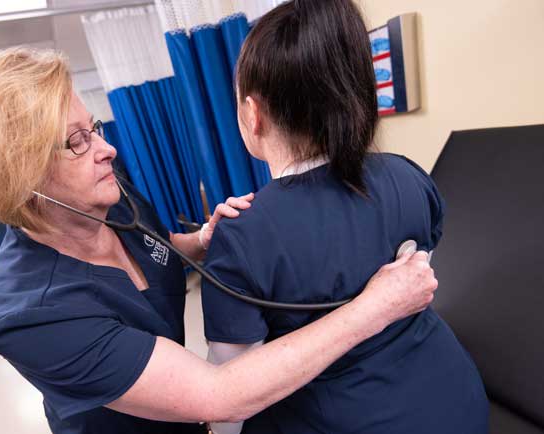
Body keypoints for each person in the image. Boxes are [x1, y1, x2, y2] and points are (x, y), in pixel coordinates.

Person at [0, 47, 437, 434]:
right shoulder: (29, 314)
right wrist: (377, 307)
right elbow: (219, 396)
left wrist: (200, 241)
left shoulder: (106, 194)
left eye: (93, 127)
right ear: (18, 179)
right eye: (76, 142)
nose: (106, 148)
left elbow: (153, 243)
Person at [201, 1, 489, 434]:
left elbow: (229, 409)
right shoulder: (406, 175)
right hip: (457, 400)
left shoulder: (243, 237)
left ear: (251, 114)